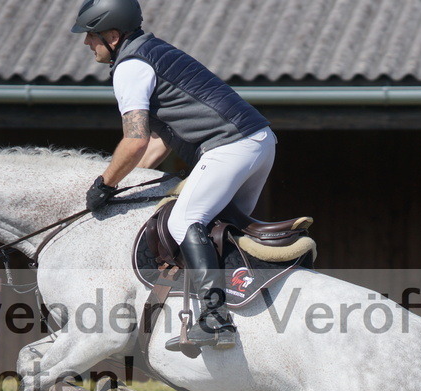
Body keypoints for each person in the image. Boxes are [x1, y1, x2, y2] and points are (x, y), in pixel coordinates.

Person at [73, 0, 276, 351]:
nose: (87, 42)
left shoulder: (130, 66)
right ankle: (245, 308)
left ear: (113, 36)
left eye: (92, 35)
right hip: (259, 142)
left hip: (229, 147)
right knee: (219, 230)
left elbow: (135, 141)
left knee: (184, 222)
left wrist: (105, 183)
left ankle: (216, 320)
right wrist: (126, 182)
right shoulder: (154, 52)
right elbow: (158, 143)